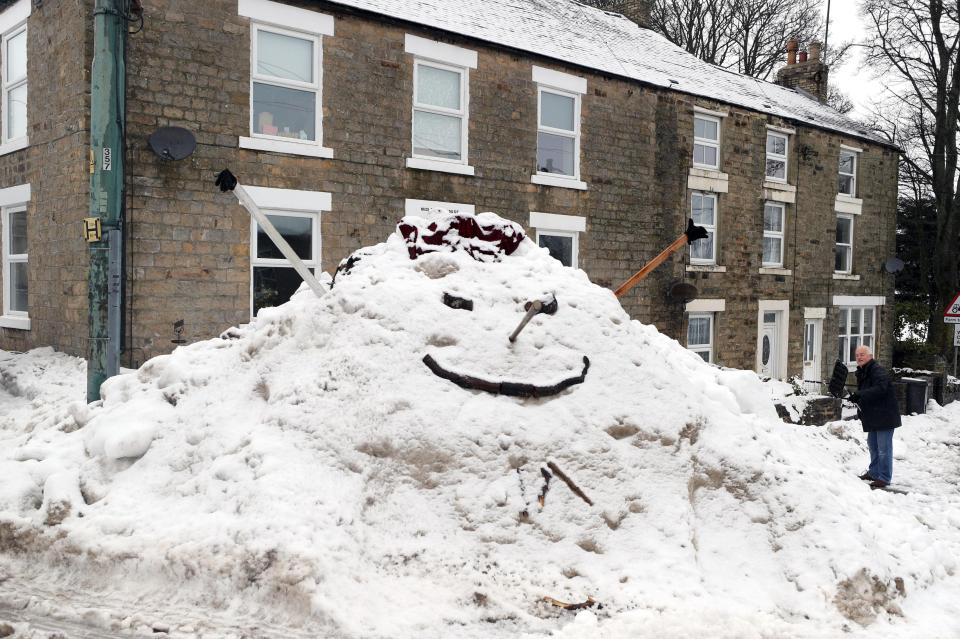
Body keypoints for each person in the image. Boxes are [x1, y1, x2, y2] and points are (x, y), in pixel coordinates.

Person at [848, 345, 901, 489]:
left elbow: (881, 389)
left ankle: (884, 477)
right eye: (857, 354)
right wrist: (857, 398)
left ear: (870, 356)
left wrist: (860, 394)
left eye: (862, 354)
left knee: (884, 448)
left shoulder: (877, 370)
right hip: (874, 416)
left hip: (885, 415)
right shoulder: (863, 371)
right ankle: (874, 472)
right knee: (873, 446)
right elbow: (867, 392)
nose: (859, 357)